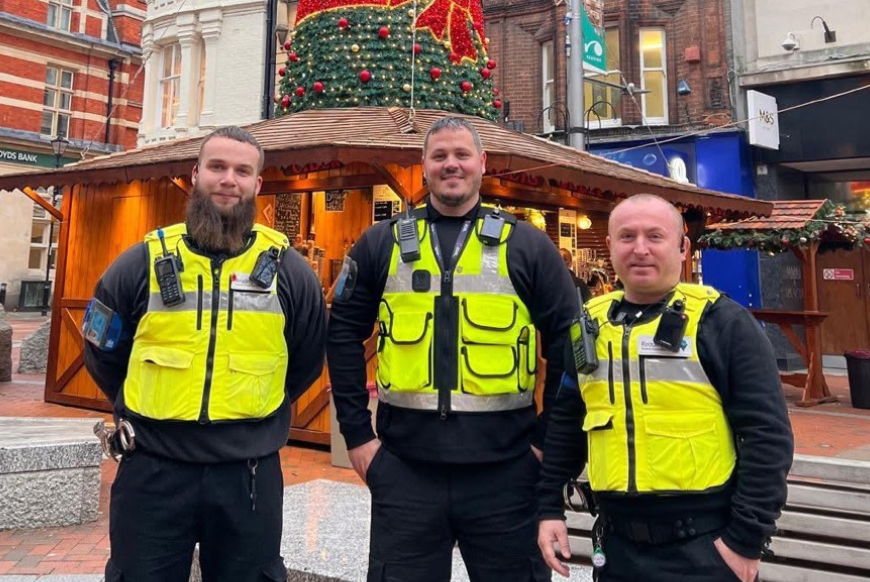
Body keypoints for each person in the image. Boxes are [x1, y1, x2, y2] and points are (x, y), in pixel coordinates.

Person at [327, 116, 577, 582]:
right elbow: (341, 332)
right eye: (439, 155)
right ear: (423, 166)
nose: (451, 164)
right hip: (404, 473)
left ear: (482, 163)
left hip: (507, 474)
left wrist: (547, 446)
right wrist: (358, 437)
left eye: (462, 154)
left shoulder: (528, 246)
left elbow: (572, 345)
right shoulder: (380, 243)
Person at [84, 126, 327, 582]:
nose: (228, 180)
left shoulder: (290, 271)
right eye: (216, 167)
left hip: (248, 478)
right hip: (152, 469)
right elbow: (100, 352)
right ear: (195, 174)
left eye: (242, 171)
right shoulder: (140, 263)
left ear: (258, 184)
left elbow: (307, 360)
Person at [537, 194, 794, 582]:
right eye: (627, 237)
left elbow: (768, 436)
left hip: (705, 548)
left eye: (655, 236)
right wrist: (548, 507)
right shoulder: (587, 325)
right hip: (617, 546)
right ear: (609, 247)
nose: (640, 249)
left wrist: (744, 542)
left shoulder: (721, 322)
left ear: (682, 246)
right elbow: (567, 422)